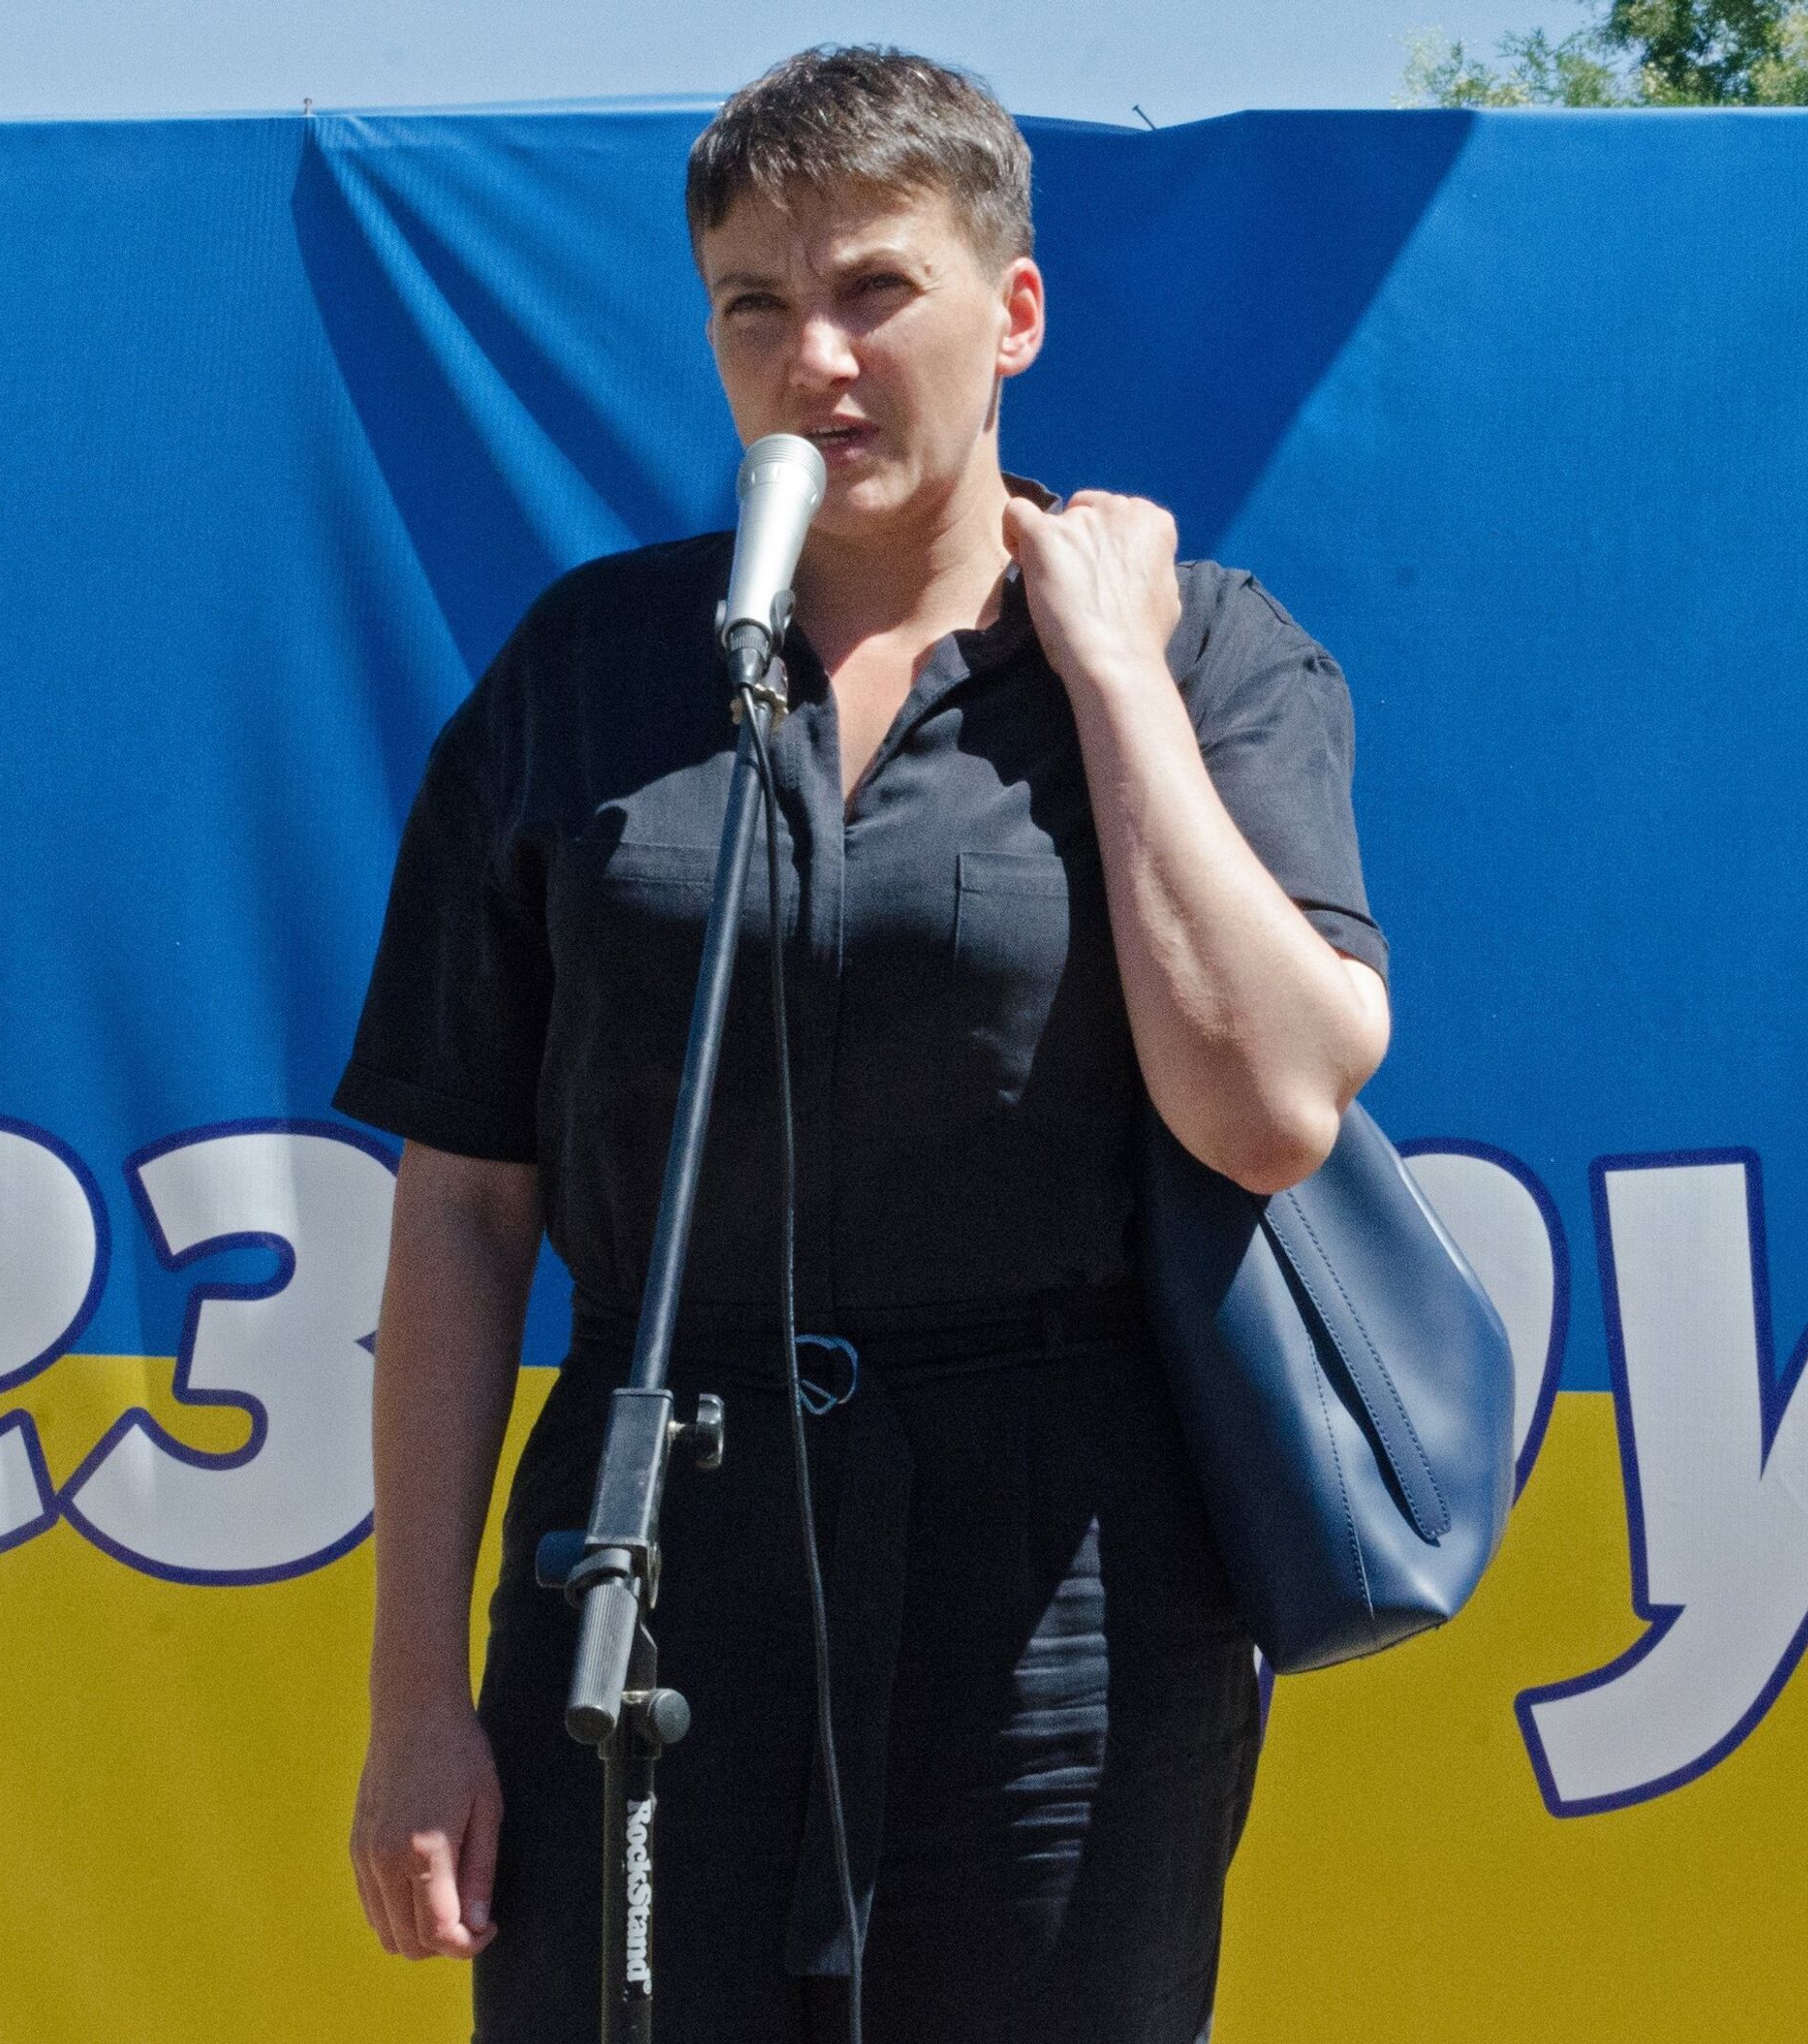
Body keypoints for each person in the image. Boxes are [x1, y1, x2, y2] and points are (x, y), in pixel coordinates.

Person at [338, 44, 1391, 2044]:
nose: (812, 359)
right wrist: (414, 1703)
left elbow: (1267, 1111)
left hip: (1062, 1578)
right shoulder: (588, 671)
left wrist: (1112, 677)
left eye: (874, 291)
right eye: (754, 304)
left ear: (1015, 313)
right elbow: (465, 1208)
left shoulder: (1208, 654)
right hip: (653, 1547)